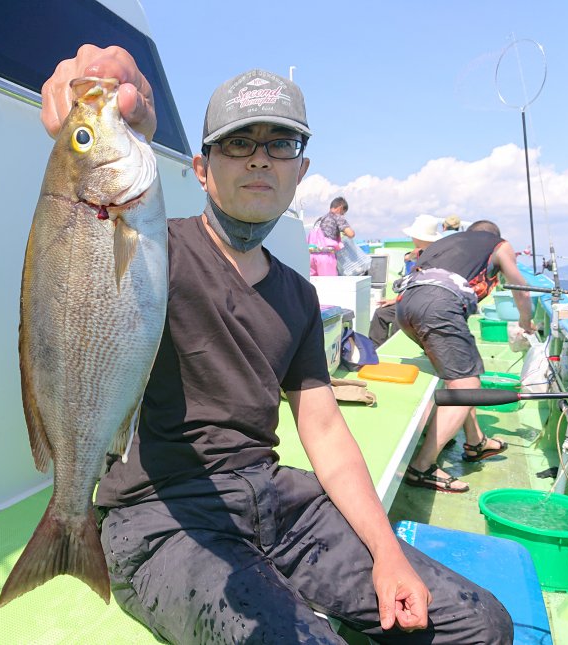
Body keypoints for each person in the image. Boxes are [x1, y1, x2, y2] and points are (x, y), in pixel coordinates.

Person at [41, 45, 512, 643]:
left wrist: (387, 551)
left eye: (279, 144)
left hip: (276, 500)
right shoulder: (152, 248)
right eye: (238, 143)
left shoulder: (298, 296)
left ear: (301, 171)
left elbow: (323, 427)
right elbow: (88, 238)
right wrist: (118, 116)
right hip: (162, 517)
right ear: (201, 168)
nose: (259, 159)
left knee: (482, 624)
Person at [395, 220, 535, 493]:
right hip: (438, 306)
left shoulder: (445, 242)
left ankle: (475, 441)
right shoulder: (498, 245)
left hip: (406, 306)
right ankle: (421, 467)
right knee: (467, 385)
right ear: (495, 236)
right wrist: (526, 322)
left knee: (460, 377)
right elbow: (521, 287)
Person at [369, 215, 442, 346]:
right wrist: (395, 300)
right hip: (411, 300)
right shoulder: (420, 254)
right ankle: (375, 351)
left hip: (425, 304)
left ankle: (392, 350)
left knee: (400, 317)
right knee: (381, 313)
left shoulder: (435, 257)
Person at [309, 196, 353, 276]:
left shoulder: (320, 219)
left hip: (311, 257)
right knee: (329, 286)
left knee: (313, 285)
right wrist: (344, 233)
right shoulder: (337, 217)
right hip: (325, 257)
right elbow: (351, 234)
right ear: (340, 208)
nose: (343, 215)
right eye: (343, 213)